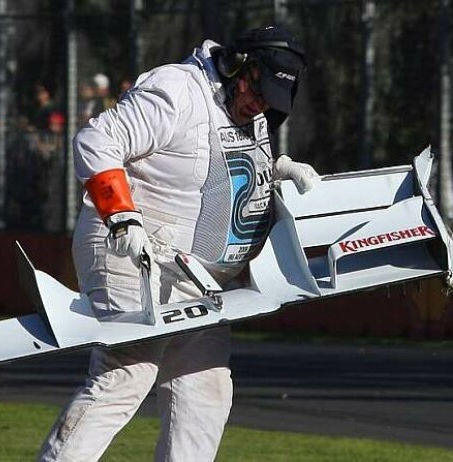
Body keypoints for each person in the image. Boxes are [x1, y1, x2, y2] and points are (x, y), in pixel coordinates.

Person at [38, 25, 318, 461]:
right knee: (126, 375)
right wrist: (121, 216)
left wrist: (278, 167)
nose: (258, 107)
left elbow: (210, 165)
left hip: (198, 275)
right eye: (256, 94)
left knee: (205, 391)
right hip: (133, 253)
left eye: (268, 102)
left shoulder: (247, 108)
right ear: (237, 65)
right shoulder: (176, 90)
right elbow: (96, 140)